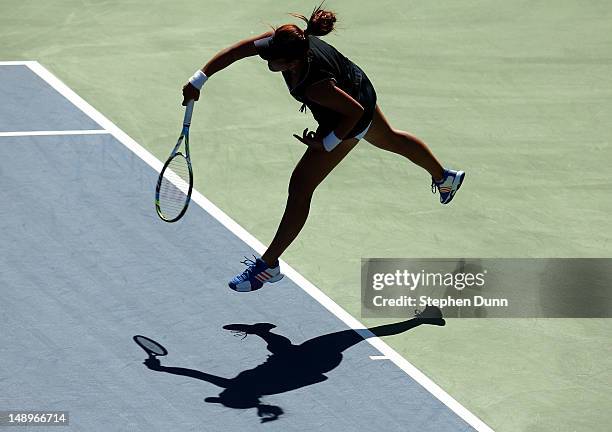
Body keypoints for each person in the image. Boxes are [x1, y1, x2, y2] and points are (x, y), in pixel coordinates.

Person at [182, 5, 465, 292]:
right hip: (356, 86)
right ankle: (445, 177)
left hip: (349, 113)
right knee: (388, 138)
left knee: (301, 185)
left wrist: (325, 142)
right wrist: (199, 79)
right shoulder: (285, 41)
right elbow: (235, 52)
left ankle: (268, 266)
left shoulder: (317, 86)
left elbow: (353, 113)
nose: (266, 59)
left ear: (292, 63)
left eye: (272, 59)